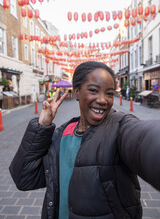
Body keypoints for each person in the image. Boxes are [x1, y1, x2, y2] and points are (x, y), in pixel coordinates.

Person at [9, 61, 160, 219]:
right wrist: (42, 125)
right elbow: (24, 179)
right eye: (93, 90)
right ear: (76, 92)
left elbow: (143, 140)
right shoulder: (61, 135)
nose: (103, 100)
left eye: (109, 93)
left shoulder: (120, 127)